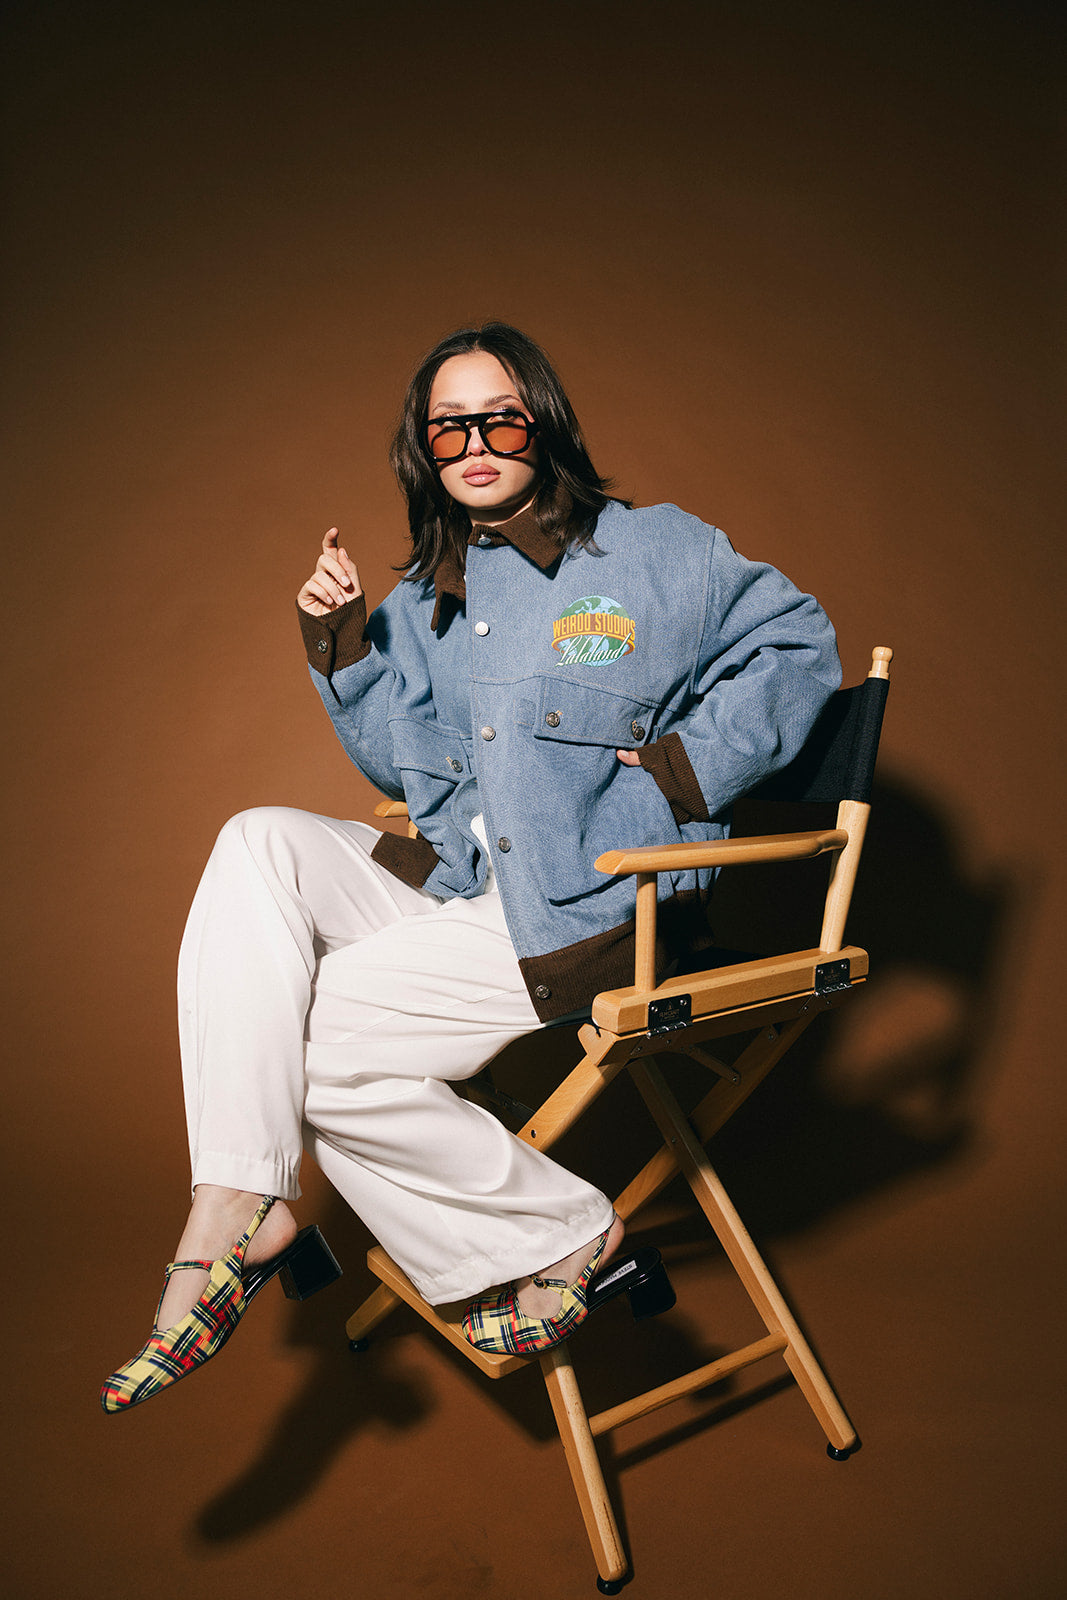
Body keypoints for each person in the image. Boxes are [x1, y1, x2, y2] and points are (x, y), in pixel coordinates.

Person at [101, 323, 841, 1412]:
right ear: (425, 447)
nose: (477, 442)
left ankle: (558, 1232)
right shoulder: (429, 596)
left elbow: (798, 640)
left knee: (301, 1041)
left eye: (501, 417)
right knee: (255, 834)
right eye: (450, 426)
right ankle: (239, 1196)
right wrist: (345, 644)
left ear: (541, 423)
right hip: (465, 884)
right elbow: (398, 765)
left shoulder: (654, 551)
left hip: (589, 899)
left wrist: (683, 772)